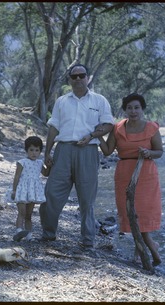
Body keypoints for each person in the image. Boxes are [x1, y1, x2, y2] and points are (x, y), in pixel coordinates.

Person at [39, 63, 114, 251]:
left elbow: (108, 125)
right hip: (63, 150)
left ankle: (88, 240)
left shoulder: (99, 101)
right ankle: (48, 234)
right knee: (51, 194)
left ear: (88, 78)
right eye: (74, 76)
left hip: (88, 151)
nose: (78, 79)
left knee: (87, 198)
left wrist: (92, 136)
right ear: (70, 80)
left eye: (82, 75)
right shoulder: (62, 101)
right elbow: (54, 127)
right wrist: (48, 152)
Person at [98, 93, 163, 266]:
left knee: (142, 213)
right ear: (124, 110)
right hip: (124, 172)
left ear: (142, 109)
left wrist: (149, 153)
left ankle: (145, 248)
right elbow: (107, 151)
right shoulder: (118, 128)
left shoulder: (151, 128)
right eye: (129, 108)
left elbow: (160, 151)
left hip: (146, 173)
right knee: (129, 211)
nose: (133, 111)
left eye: (136, 107)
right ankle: (149, 246)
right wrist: (97, 136)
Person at [11, 136, 50, 242]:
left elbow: (45, 174)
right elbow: (17, 176)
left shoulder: (39, 163)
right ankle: (19, 232)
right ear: (26, 150)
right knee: (22, 213)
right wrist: (14, 190)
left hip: (33, 191)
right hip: (22, 190)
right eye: (31, 150)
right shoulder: (22, 162)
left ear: (40, 151)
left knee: (29, 215)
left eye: (37, 150)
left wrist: (49, 166)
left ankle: (29, 236)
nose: (34, 153)